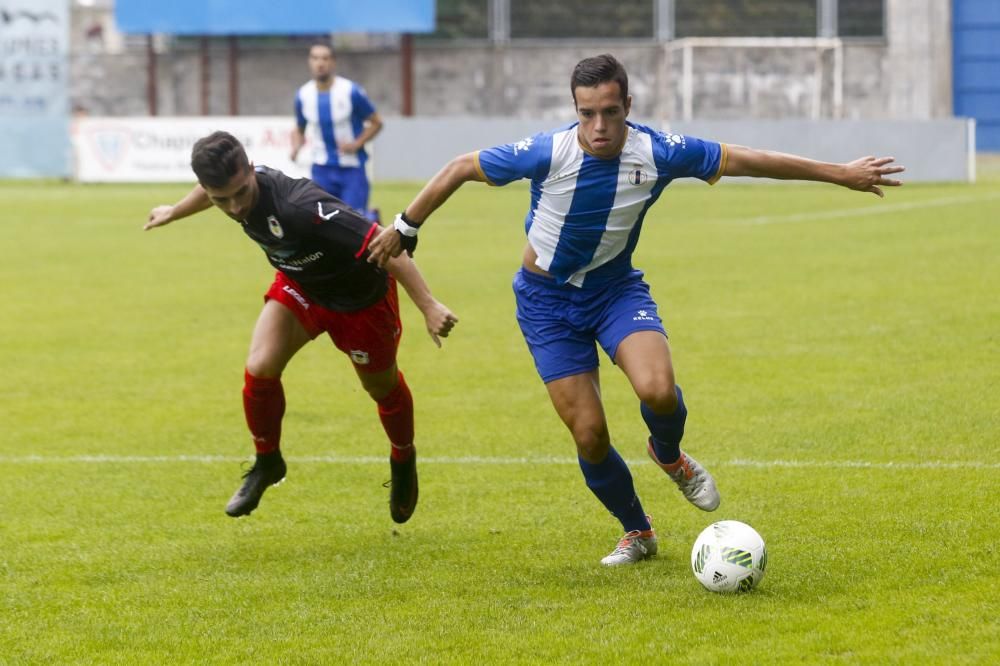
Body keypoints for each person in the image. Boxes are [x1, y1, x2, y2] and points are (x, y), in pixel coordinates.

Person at [367, 54, 904, 566]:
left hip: (614, 291)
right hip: (545, 303)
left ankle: (669, 455)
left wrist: (839, 173)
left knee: (658, 390)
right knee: (590, 434)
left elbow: (745, 158)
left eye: (610, 111)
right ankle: (638, 531)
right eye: (587, 113)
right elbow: (461, 167)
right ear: (574, 109)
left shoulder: (658, 151)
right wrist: (406, 226)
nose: (598, 125)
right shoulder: (548, 152)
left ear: (628, 104)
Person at [145, 130, 457, 522]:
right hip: (301, 287)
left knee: (381, 388)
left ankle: (403, 456)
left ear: (252, 171)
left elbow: (383, 241)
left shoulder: (300, 205)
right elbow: (206, 191)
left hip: (360, 300)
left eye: (241, 192)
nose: (236, 207)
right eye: (221, 199)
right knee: (260, 368)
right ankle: (268, 461)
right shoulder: (223, 192)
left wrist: (428, 305)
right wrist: (174, 211)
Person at [290, 42, 383, 222]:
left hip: (352, 168)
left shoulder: (351, 92)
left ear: (333, 62)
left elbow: (376, 122)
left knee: (354, 221)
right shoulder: (303, 95)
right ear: (310, 62)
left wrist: (356, 144)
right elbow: (300, 127)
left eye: (325, 58)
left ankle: (371, 217)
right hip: (321, 169)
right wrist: (296, 147)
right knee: (323, 222)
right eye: (315, 58)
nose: (320, 63)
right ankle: (372, 217)